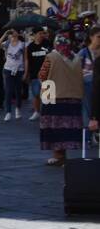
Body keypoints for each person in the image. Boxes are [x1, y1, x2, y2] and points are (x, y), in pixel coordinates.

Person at [39, 36, 85, 167]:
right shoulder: (76, 57)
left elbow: (42, 75)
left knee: (55, 127)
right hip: (74, 97)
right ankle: (63, 156)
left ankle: (58, 156)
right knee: (68, 128)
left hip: (54, 96)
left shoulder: (51, 57)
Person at [0, 28, 26, 120]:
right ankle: (8, 112)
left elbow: (25, 58)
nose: (13, 33)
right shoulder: (7, 43)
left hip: (19, 69)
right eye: (11, 32)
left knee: (18, 91)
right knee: (8, 91)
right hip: (8, 69)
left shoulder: (22, 44)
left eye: (14, 31)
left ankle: (18, 109)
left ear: (18, 33)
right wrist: (5, 35)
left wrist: (25, 71)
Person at [25, 27, 51, 121]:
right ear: (35, 35)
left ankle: (48, 113)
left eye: (43, 33)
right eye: (40, 33)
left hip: (48, 74)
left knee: (47, 95)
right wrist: (26, 74)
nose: (42, 35)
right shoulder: (30, 47)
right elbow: (27, 60)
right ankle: (36, 112)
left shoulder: (48, 44)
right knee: (36, 94)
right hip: (35, 74)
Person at [80, 28, 100, 127]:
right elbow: (77, 70)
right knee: (87, 110)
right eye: (98, 37)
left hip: (98, 84)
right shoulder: (83, 52)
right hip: (87, 85)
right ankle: (87, 135)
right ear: (91, 37)